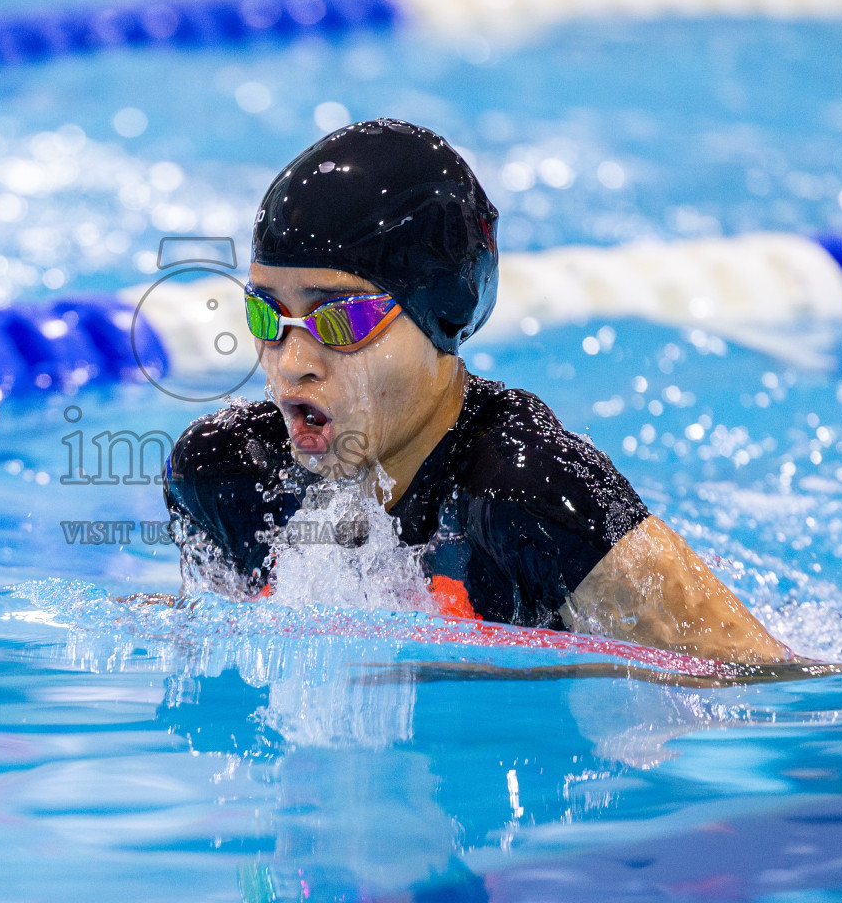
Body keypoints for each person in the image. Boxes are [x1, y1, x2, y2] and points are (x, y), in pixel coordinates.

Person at [162, 119, 791, 665]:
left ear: (438, 315)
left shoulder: (531, 493)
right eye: (268, 317)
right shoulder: (231, 477)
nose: (291, 363)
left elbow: (759, 681)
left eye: (342, 320)